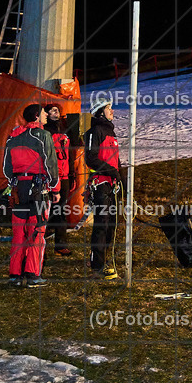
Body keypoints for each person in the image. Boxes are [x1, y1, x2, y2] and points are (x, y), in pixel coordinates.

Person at [3, 104, 60, 288]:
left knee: (19, 233)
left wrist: (16, 181)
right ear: (36, 116)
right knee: (37, 232)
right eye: (43, 112)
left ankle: (15, 275)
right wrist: (55, 187)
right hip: (38, 190)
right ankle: (33, 274)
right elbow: (51, 163)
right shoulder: (43, 135)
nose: (46, 115)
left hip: (19, 189)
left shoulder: (13, 137)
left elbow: (6, 169)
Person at [84, 92, 122, 281]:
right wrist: (111, 171)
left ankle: (106, 260)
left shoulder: (111, 133)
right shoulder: (94, 132)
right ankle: (97, 264)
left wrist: (120, 178)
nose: (112, 111)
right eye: (108, 108)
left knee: (111, 225)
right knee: (102, 224)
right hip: (100, 184)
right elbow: (91, 158)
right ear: (100, 112)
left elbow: (115, 160)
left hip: (112, 185)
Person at [45, 102, 74, 257]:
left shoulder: (64, 130)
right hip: (50, 176)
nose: (56, 112)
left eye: (57, 110)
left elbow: (70, 155)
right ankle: (38, 241)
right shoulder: (44, 131)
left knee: (61, 209)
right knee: (45, 209)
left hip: (64, 176)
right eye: (52, 110)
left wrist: (72, 174)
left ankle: (61, 245)